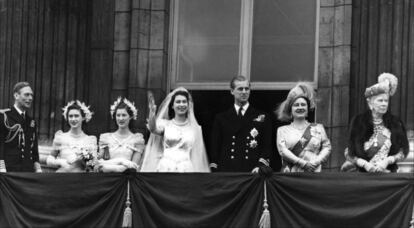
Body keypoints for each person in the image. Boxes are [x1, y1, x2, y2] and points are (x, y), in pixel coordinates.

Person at [341, 73, 409, 172]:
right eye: (380, 100)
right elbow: (349, 153)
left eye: (386, 101)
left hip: (388, 173)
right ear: (370, 103)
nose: (384, 104)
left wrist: (388, 161)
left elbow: (403, 151)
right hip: (363, 174)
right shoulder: (358, 122)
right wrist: (364, 164)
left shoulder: (395, 123)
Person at [209, 76, 272, 173]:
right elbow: (215, 147)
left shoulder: (262, 117)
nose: (244, 92)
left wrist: (260, 166)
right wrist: (215, 167)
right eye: (240, 89)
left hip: (252, 171)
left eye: (247, 89)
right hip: (227, 171)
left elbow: (267, 146)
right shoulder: (221, 118)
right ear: (232, 91)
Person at [141, 87, 210, 172]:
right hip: (166, 167)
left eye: (184, 102)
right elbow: (153, 129)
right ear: (173, 106)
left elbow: (198, 154)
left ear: (188, 105)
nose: (181, 104)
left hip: (186, 168)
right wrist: (152, 113)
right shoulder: (165, 124)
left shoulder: (195, 128)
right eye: (178, 102)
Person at [275, 82, 331, 172]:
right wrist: (303, 164)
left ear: (308, 108)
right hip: (291, 175)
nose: (300, 107)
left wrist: (315, 162)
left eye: (303, 104)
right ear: (290, 110)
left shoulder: (319, 128)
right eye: (296, 105)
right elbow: (283, 151)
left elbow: (327, 147)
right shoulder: (282, 130)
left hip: (314, 173)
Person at [0, 82, 42, 172]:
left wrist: (38, 168)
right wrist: (1, 168)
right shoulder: (4, 117)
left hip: (28, 171)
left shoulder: (31, 121)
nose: (30, 98)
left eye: (31, 95)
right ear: (16, 95)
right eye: (26, 95)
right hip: (9, 171)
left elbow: (34, 150)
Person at [95, 97, 144, 172]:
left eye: (124, 115)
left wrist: (108, 166)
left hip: (127, 179)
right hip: (108, 179)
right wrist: (121, 162)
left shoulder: (137, 140)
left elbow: (133, 167)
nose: (121, 118)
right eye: (118, 115)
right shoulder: (105, 138)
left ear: (130, 117)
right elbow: (99, 165)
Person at [46, 100, 97, 172]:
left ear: (83, 118)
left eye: (76, 116)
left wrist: (81, 158)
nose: (73, 119)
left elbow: (94, 164)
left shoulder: (90, 140)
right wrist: (61, 162)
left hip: (83, 179)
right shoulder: (60, 137)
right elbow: (49, 159)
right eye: (70, 116)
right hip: (64, 177)